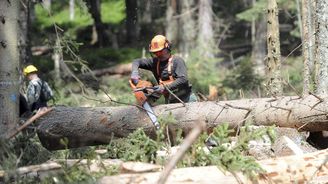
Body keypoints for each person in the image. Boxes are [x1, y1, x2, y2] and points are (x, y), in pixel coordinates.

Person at [131, 35, 197, 104]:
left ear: (167, 47)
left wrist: (164, 87)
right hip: (170, 102)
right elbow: (136, 61)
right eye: (155, 52)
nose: (158, 54)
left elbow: (183, 79)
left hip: (186, 99)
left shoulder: (177, 61)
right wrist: (134, 72)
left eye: (160, 51)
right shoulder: (154, 62)